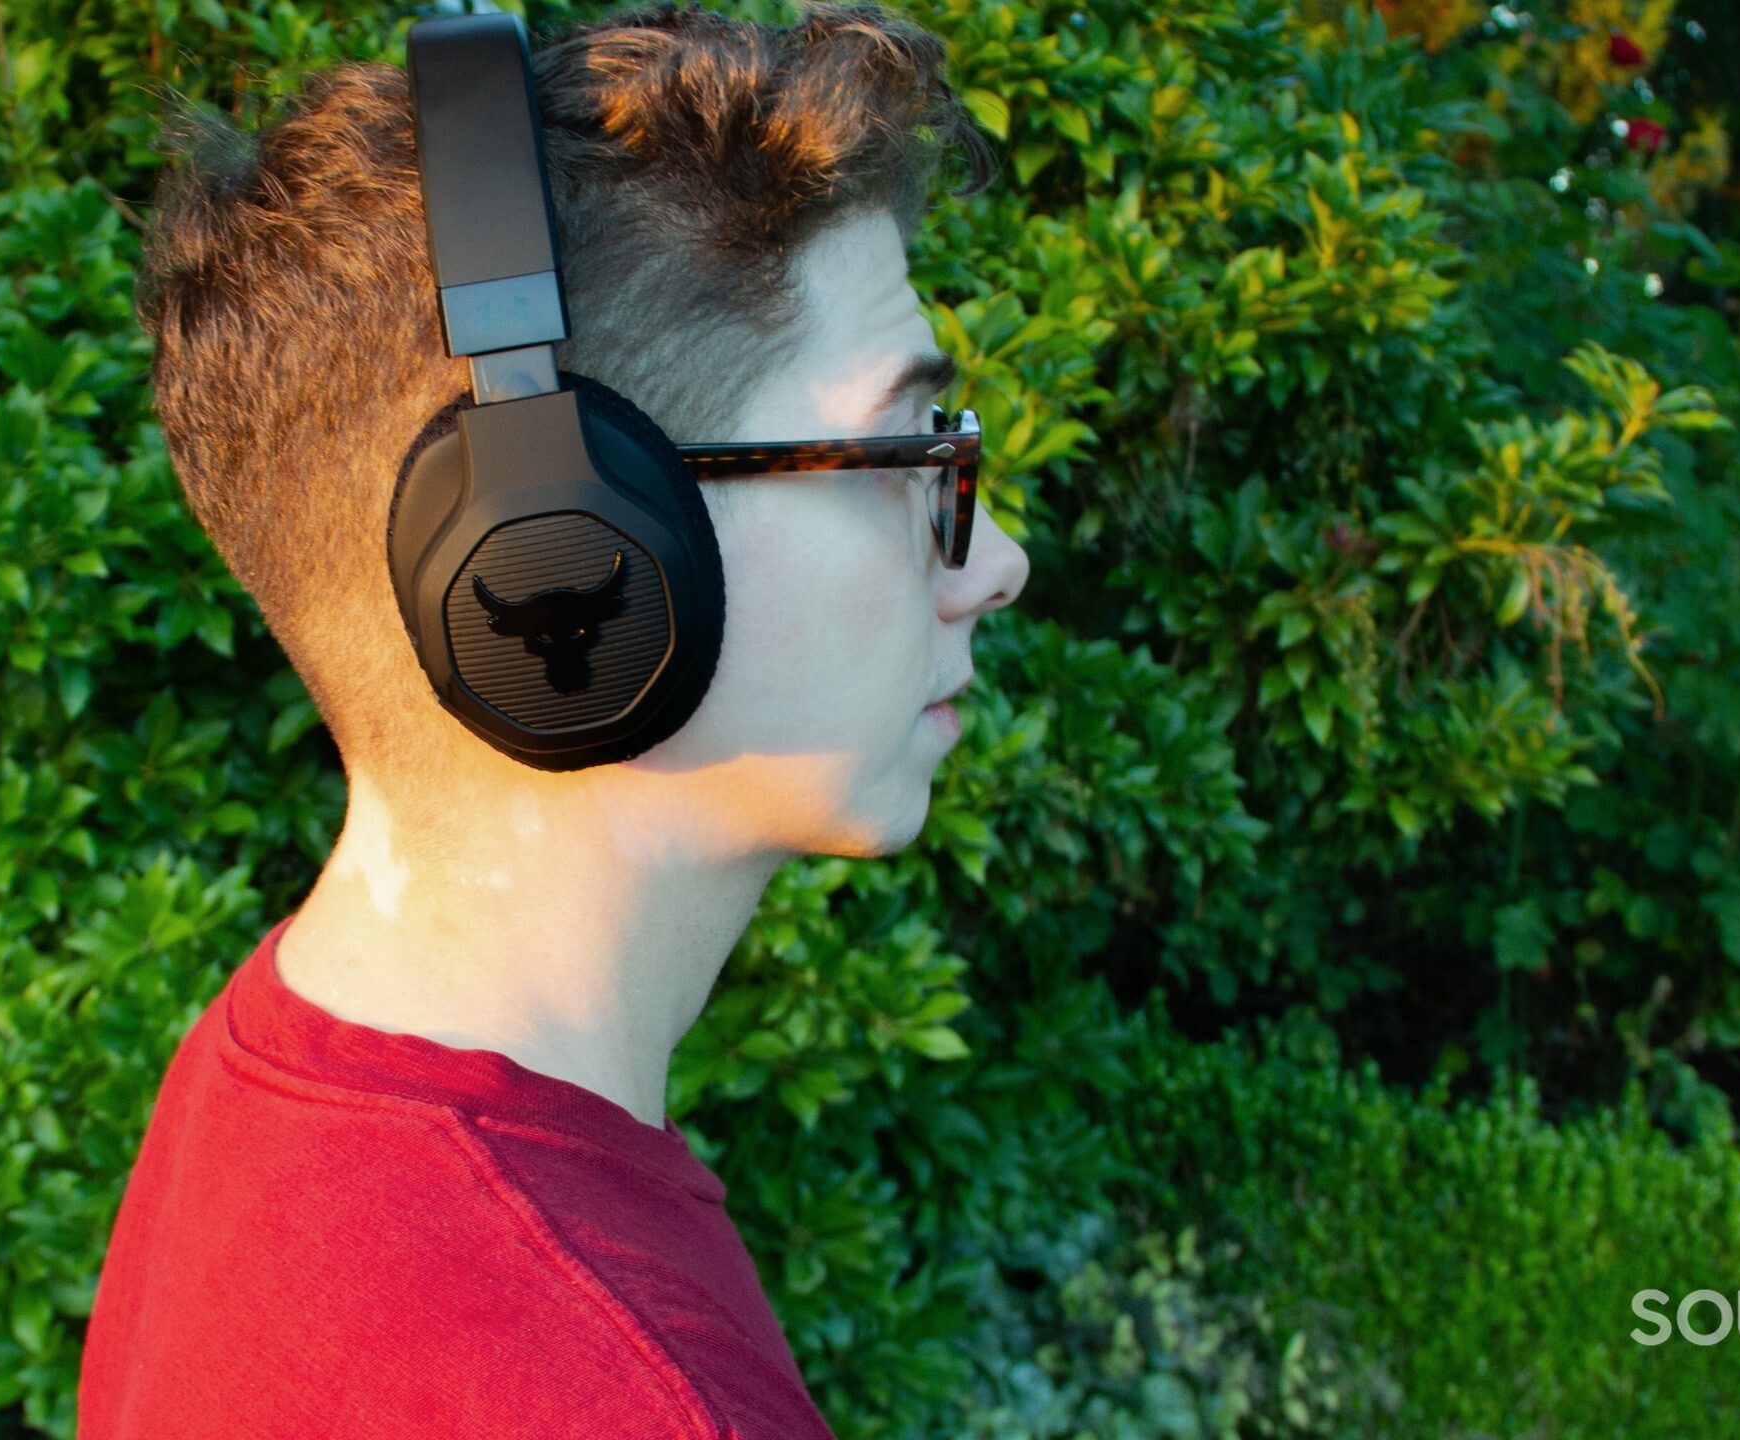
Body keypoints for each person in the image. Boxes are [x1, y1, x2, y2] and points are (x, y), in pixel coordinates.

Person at [74, 2, 1027, 1436]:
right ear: (572, 551)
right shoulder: (615, 1394)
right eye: (908, 450)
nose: (997, 559)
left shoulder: (278, 1072)